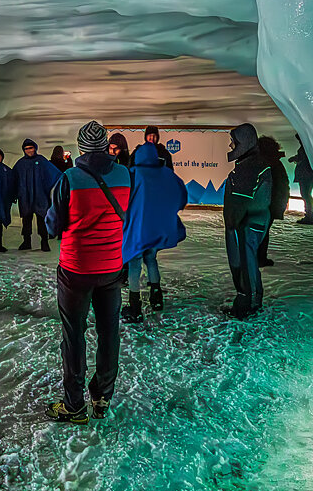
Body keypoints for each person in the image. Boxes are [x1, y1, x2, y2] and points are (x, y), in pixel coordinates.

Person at [43, 121, 131, 424]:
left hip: (76, 269)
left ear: (80, 147)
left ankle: (74, 405)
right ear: (106, 146)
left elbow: (53, 225)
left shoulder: (69, 178)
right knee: (109, 333)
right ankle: (103, 395)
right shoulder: (124, 174)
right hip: (111, 267)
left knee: (74, 335)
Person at [120, 142, 187, 323]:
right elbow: (182, 196)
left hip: (138, 227)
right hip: (157, 228)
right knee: (151, 259)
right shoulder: (166, 173)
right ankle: (156, 297)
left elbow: (123, 199)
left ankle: (135, 306)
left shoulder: (134, 174)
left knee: (134, 263)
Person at [223, 123, 272, 319]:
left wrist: (232, 222)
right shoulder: (254, 164)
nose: (231, 147)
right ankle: (249, 300)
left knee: (244, 263)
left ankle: (247, 304)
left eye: (234, 143)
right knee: (246, 262)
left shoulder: (250, 168)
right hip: (250, 223)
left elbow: (241, 201)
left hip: (245, 225)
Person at [13, 138, 62, 252]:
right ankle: (26, 241)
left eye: (31, 148)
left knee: (42, 219)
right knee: (26, 220)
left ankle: (44, 242)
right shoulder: (20, 163)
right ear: (23, 150)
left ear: (35, 148)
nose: (29, 150)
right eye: (26, 149)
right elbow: (13, 178)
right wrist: (15, 193)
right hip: (25, 197)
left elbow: (55, 174)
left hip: (40, 196)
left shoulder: (42, 161)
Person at [256, 135, 291, 267]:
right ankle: (259, 257)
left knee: (260, 232)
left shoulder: (264, 164)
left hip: (264, 204)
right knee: (263, 232)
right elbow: (283, 186)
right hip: (270, 204)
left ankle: (258, 258)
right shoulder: (275, 163)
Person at [289, 134, 313, 225]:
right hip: (308, 175)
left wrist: (295, 158)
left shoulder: (306, 148)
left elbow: (304, 158)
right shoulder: (308, 147)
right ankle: (310, 215)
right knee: (307, 195)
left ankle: (309, 216)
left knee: (306, 195)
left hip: (305, 175)